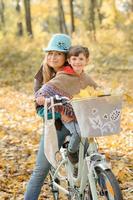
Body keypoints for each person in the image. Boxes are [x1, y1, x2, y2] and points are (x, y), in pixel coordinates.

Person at [24, 33, 72, 200]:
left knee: (84, 163)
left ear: (66, 56)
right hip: (55, 126)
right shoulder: (42, 75)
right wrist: (59, 112)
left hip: (78, 123)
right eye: (50, 53)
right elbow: (38, 108)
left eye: (58, 53)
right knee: (40, 170)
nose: (53, 57)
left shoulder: (72, 72)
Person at [35, 45, 98, 164]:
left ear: (87, 61)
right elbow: (48, 88)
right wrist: (41, 97)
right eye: (74, 59)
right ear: (69, 61)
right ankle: (71, 151)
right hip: (66, 113)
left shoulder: (85, 76)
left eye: (81, 59)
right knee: (79, 132)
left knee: (89, 132)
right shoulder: (63, 75)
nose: (77, 62)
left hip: (81, 114)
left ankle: (80, 169)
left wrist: (106, 95)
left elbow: (96, 88)